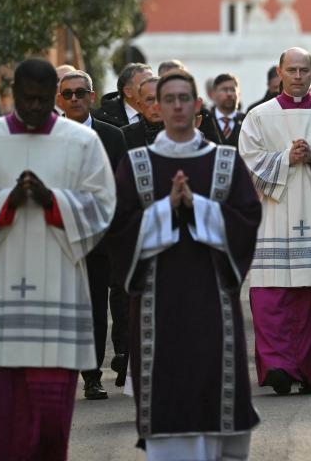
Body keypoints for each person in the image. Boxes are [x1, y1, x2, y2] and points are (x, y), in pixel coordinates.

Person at [110, 70, 262, 460]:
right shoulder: (137, 163)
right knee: (168, 387)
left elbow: (246, 220)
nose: (177, 106)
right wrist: (166, 209)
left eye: (184, 99)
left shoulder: (225, 161)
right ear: (156, 108)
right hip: (157, 306)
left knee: (213, 386)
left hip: (213, 301)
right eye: (169, 99)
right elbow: (120, 229)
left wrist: (198, 207)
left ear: (197, 106)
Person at [0, 58, 116, 460]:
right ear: (13, 95)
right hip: (1, 288)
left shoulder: (81, 142)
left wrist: (53, 202)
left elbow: (103, 207)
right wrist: (5, 202)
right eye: (27, 99)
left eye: (44, 100)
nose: (34, 108)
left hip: (59, 286)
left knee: (50, 412)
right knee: (3, 412)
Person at [239, 47, 311, 395]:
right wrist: (286, 159)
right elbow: (249, 159)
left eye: (304, 70)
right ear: (279, 71)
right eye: (291, 69)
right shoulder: (259, 116)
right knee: (272, 297)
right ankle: (279, 366)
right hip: (275, 215)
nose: (298, 76)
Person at [56, 70, 129, 400]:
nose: (74, 99)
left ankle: (92, 374)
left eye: (80, 93)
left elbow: (121, 185)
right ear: (59, 99)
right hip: (57, 236)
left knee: (96, 307)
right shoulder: (48, 136)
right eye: (68, 94)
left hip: (100, 237)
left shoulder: (113, 137)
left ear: (92, 96)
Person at [93, 62, 152, 127]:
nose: (152, 89)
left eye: (153, 82)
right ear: (128, 92)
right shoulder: (103, 120)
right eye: (144, 84)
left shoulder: (161, 112)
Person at [121, 75, 163, 149]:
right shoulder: (123, 136)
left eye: (161, 98)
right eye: (150, 99)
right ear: (140, 106)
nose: (156, 105)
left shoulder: (184, 133)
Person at [212, 73, 245, 146]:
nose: (229, 94)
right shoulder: (205, 121)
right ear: (213, 94)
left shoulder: (247, 121)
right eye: (224, 90)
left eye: (233, 90)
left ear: (238, 94)